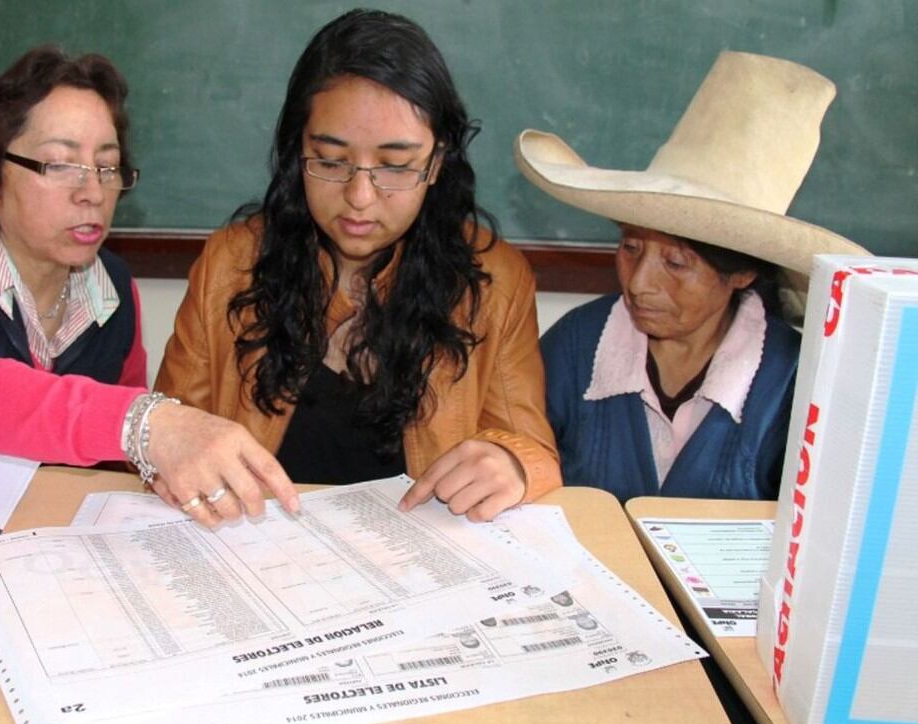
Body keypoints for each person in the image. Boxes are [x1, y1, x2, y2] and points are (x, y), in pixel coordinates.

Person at [0, 45, 298, 525]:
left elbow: (112, 455)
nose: (93, 192)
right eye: (59, 165)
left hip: (30, 526)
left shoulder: (113, 287)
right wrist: (147, 425)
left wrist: (154, 463)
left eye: (107, 166)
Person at [155, 10, 560, 521]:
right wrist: (171, 458)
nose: (359, 198)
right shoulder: (232, 262)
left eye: (394, 166)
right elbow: (164, 433)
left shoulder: (495, 279)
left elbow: (531, 447)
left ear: (436, 164)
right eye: (330, 161)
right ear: (296, 151)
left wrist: (511, 464)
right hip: (255, 560)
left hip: (414, 569)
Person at [516, 51, 870, 503]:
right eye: (630, 247)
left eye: (677, 263)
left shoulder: (795, 381)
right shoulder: (574, 346)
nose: (639, 282)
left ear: (741, 273)